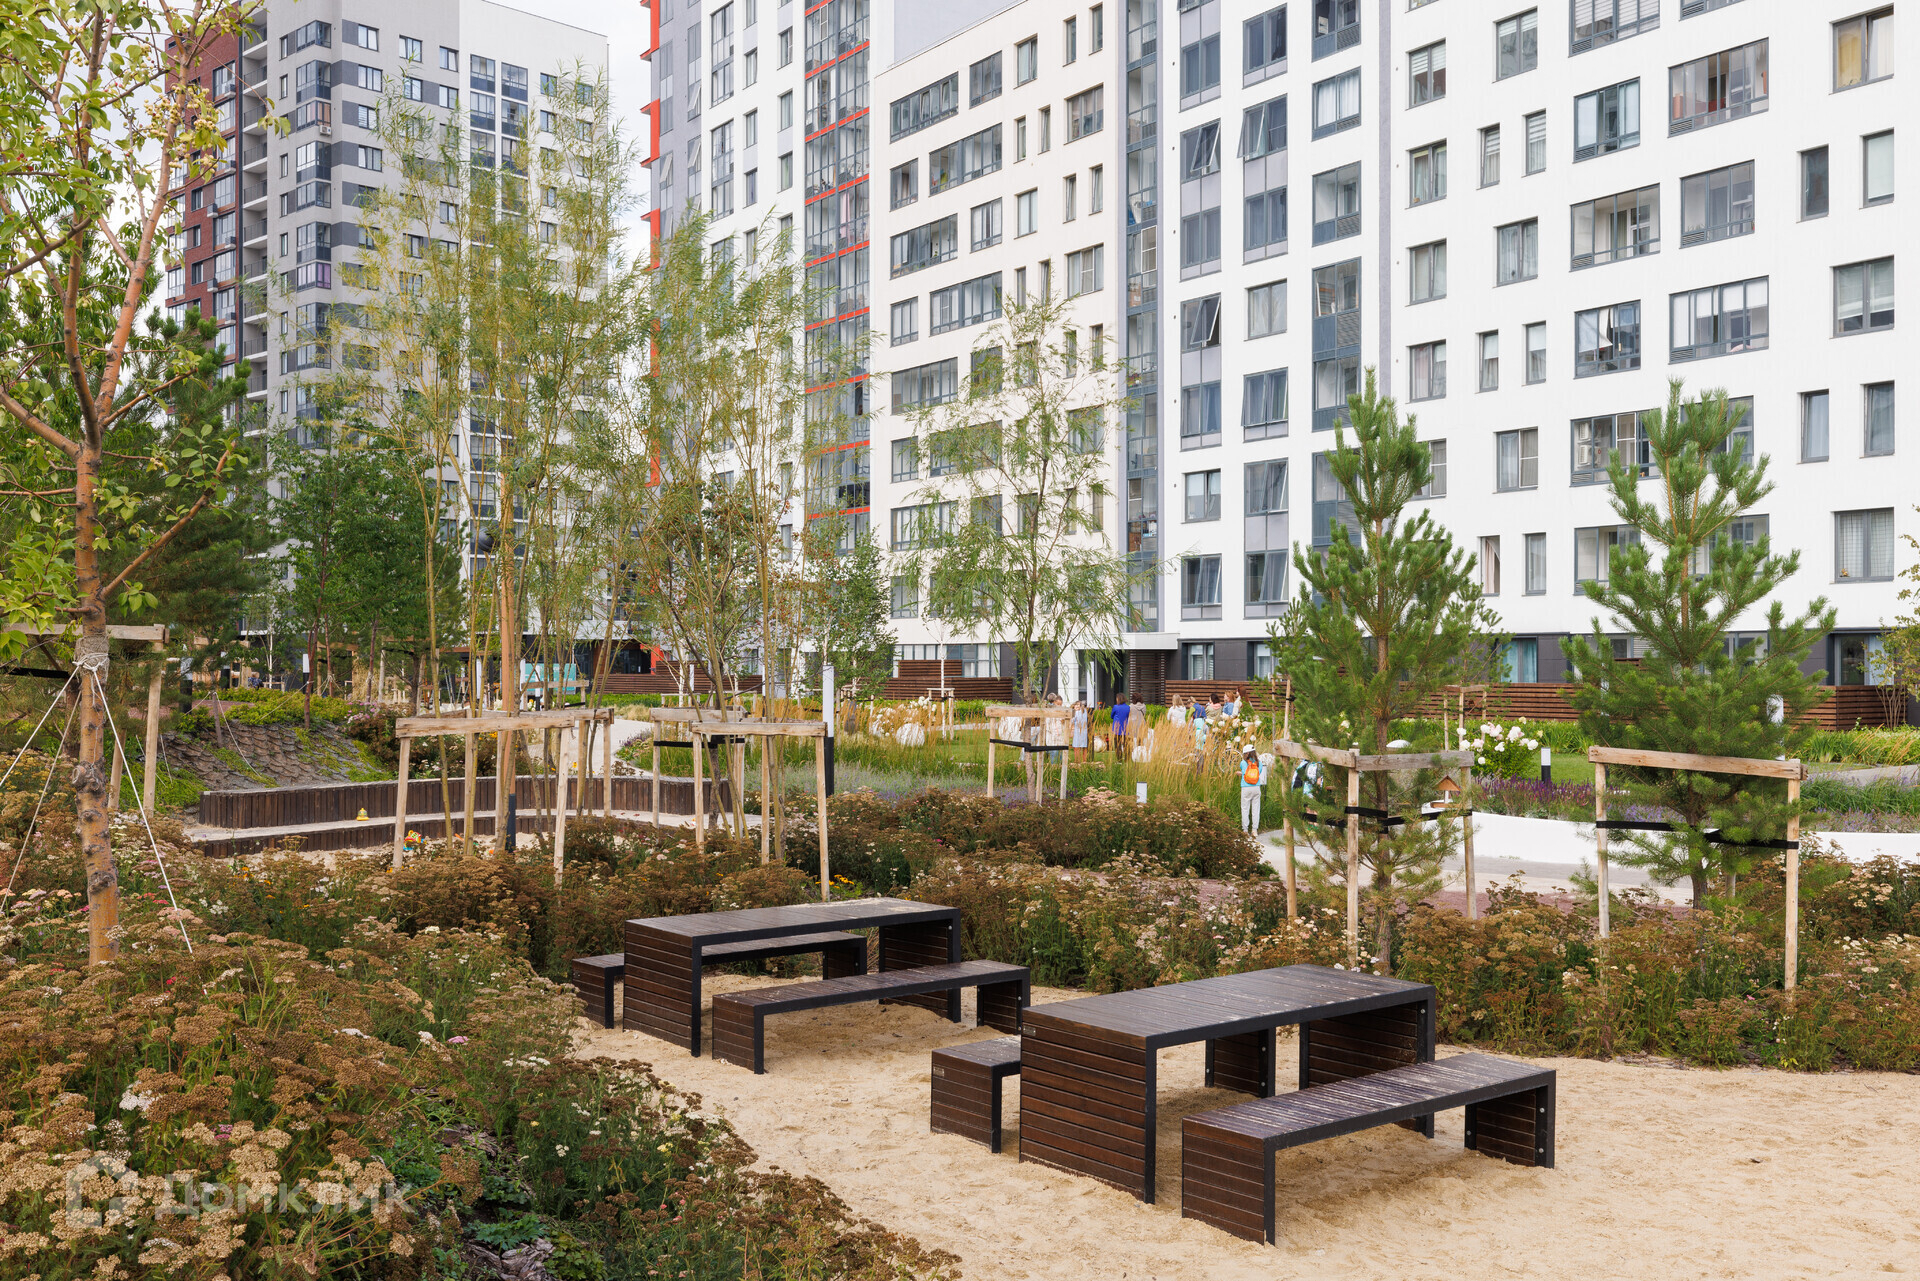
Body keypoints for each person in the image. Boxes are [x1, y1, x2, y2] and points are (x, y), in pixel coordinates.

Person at [1239, 745, 1269, 835]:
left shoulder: (1243, 763)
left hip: (1246, 788)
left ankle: (1245, 830)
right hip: (1256, 787)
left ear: (1247, 753)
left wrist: (1240, 773)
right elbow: (1258, 773)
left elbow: (1244, 773)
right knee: (1256, 810)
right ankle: (1254, 830)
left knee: (1245, 809)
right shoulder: (1259, 763)